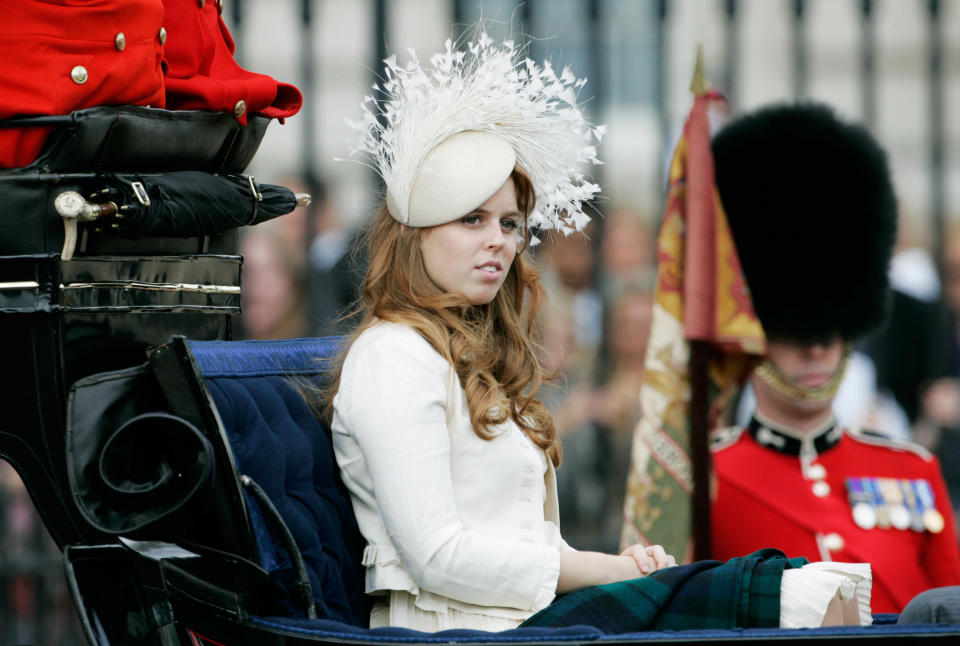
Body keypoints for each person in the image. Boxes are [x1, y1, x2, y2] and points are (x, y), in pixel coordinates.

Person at [318, 32, 868, 633]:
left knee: (791, 587)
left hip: (528, 618)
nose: (499, 239)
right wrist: (603, 571)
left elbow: (522, 541)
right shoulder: (394, 356)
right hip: (456, 632)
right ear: (415, 233)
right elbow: (437, 556)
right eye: (472, 219)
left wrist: (621, 564)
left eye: (509, 222)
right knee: (774, 598)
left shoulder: (465, 357)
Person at [708, 103, 960, 614]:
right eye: (791, 326)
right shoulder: (704, 479)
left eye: (829, 326)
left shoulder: (913, 470)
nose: (816, 345)